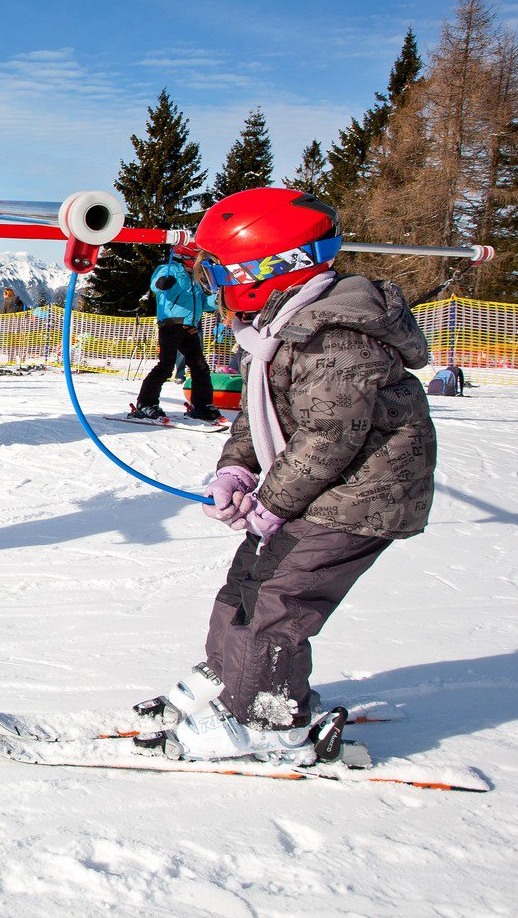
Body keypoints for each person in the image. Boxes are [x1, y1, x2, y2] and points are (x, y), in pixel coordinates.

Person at [147, 187, 436, 765]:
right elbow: (266, 418)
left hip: (362, 495)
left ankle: (270, 720)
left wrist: (272, 500)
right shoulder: (277, 327)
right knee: (249, 577)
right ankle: (231, 678)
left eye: (218, 272)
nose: (215, 287)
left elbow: (331, 435)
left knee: (284, 597)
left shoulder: (333, 336)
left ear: (265, 269)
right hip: (319, 486)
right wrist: (234, 470)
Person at [129, 245, 219, 422]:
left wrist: (218, 300)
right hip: (171, 325)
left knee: (200, 367)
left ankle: (201, 406)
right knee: (166, 366)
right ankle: (146, 403)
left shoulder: (195, 279)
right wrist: (162, 283)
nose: (201, 264)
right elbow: (156, 285)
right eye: (198, 260)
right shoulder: (169, 269)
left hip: (190, 327)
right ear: (187, 258)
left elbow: (203, 303)